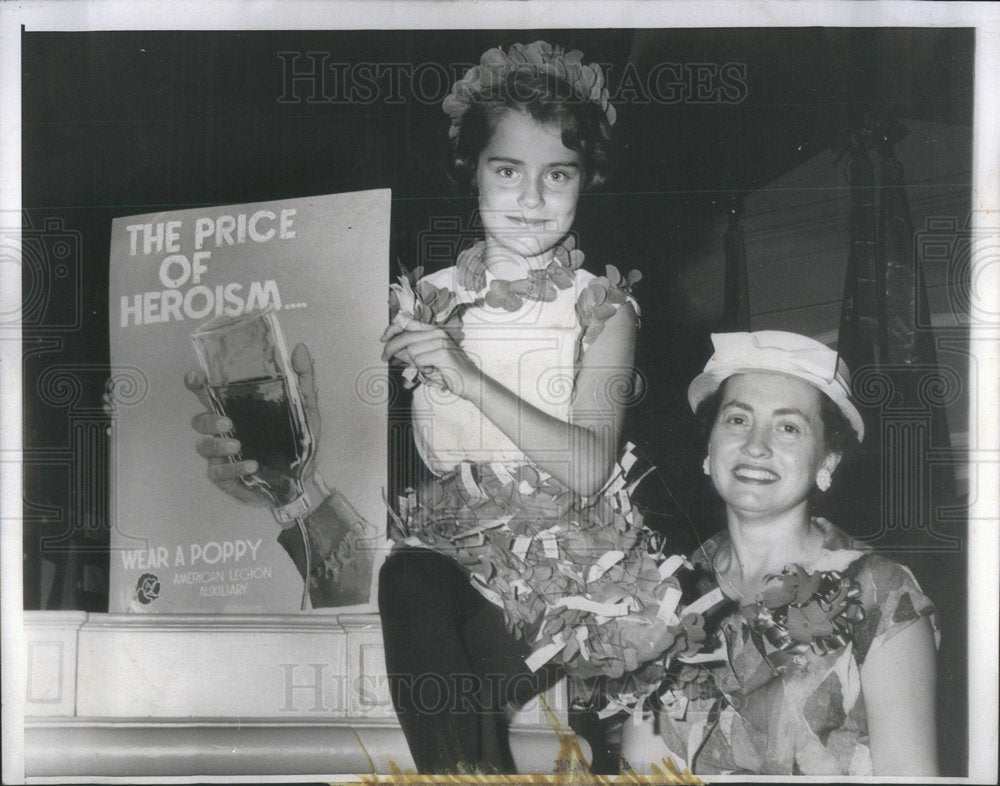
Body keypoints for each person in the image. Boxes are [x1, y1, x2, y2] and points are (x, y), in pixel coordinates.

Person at [188, 41, 654, 774]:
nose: (531, 200)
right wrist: (273, 453)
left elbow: (591, 469)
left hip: (568, 577)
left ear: (585, 179)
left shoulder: (601, 305)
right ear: (474, 170)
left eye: (556, 175)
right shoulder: (422, 297)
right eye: (508, 171)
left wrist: (467, 378)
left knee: (452, 640)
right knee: (406, 578)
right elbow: (353, 464)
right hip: (454, 568)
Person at [620, 331, 939, 777]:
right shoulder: (667, 591)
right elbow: (643, 770)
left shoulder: (880, 592)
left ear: (827, 461)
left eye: (788, 427)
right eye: (737, 420)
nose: (756, 446)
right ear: (709, 449)